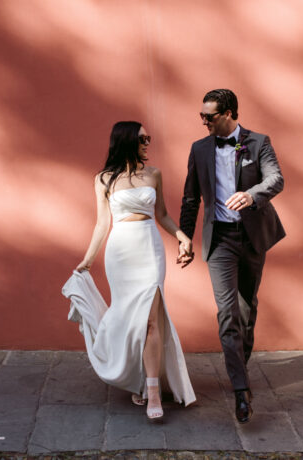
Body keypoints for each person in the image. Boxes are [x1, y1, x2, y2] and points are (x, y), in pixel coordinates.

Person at [65, 121, 196, 422]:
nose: (148, 143)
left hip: (149, 249)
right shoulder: (103, 179)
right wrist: (87, 259)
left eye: (148, 138)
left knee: (151, 321)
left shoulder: (154, 174)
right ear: (125, 141)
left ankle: (152, 392)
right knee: (130, 319)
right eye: (142, 139)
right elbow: (102, 224)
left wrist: (181, 236)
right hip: (120, 252)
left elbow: (161, 214)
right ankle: (137, 378)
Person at [178, 89, 285, 423]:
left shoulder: (258, 142)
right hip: (220, 239)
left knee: (246, 308)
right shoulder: (199, 148)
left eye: (209, 116)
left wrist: (251, 196)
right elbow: (190, 198)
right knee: (227, 313)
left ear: (228, 113)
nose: (204, 121)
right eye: (202, 116)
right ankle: (241, 389)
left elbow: (276, 179)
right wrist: (184, 237)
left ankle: (240, 364)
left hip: (252, 236)